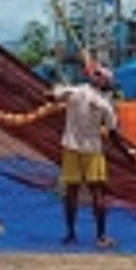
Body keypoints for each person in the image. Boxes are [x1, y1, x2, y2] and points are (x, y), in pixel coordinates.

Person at [48, 63, 119, 248]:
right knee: (97, 192)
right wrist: (125, 155)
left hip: (71, 146)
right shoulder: (105, 105)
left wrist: (54, 92)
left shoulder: (75, 92)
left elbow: (51, 96)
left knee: (71, 192)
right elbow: (113, 132)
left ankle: (70, 234)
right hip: (92, 149)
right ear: (106, 84)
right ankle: (101, 237)